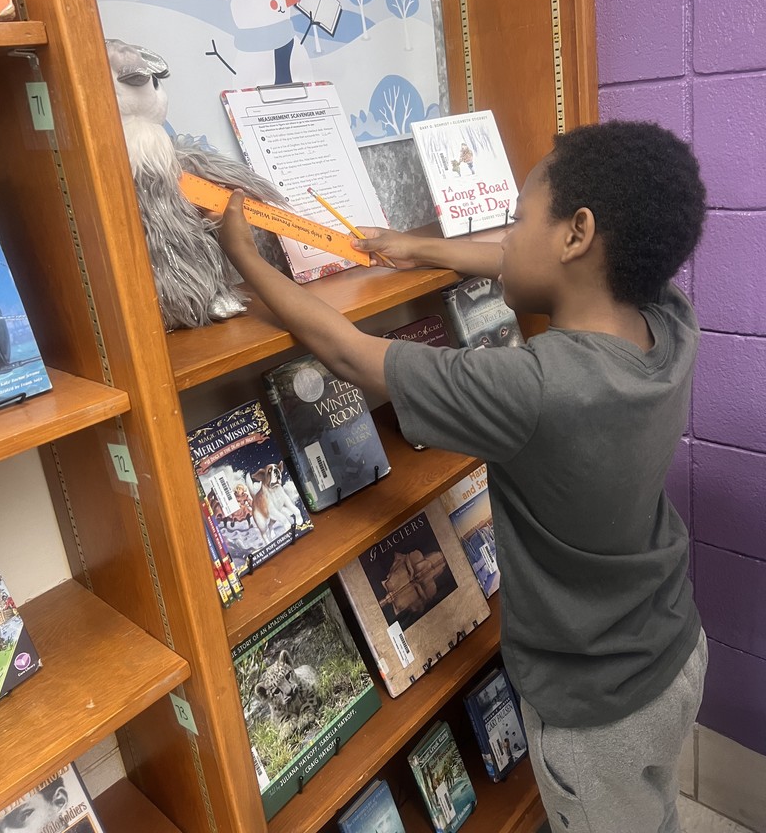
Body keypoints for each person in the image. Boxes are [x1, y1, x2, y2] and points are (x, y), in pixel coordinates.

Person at [212, 120, 708, 833]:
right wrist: (413, 247)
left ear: (576, 235)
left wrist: (245, 263)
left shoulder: (533, 388)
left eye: (517, 220)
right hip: (673, 649)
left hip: (595, 705)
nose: (503, 239)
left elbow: (352, 355)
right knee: (650, 809)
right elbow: (520, 263)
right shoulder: (669, 319)